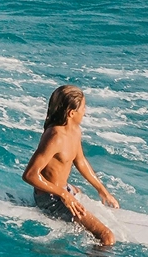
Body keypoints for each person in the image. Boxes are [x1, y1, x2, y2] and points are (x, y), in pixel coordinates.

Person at [22, 84, 121, 246]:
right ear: (71, 113)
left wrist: (102, 190)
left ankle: (70, 193)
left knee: (78, 192)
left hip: (63, 189)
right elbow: (30, 175)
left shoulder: (75, 130)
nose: (85, 111)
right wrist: (64, 195)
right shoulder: (55, 137)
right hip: (50, 198)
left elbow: (80, 161)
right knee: (107, 238)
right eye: (83, 107)